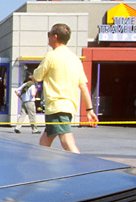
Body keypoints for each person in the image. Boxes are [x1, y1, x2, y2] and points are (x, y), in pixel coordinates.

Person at [32, 23, 99, 153]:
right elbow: (83, 86)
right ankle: (43, 168)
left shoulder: (51, 56)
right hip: (67, 108)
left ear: (54, 37)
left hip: (57, 107)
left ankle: (82, 169)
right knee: (44, 142)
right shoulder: (75, 59)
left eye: (49, 34)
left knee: (67, 143)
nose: (48, 37)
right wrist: (89, 110)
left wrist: (33, 75)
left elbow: (37, 77)